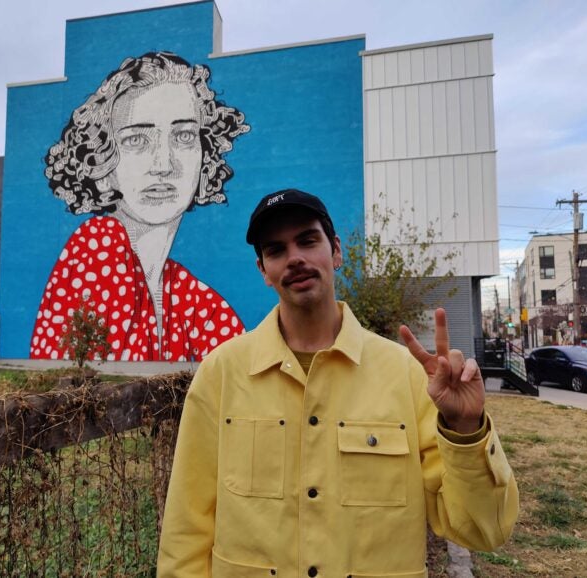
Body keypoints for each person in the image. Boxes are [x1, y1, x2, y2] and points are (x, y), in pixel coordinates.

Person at [157, 189, 519, 576]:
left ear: (336, 252)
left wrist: (465, 428)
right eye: (276, 250)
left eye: (308, 241)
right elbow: (187, 529)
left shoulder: (406, 376)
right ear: (263, 270)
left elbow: (481, 530)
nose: (294, 258)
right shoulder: (221, 374)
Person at [30, 52, 249, 362]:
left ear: (205, 159)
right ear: (103, 167)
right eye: (136, 140)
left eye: (184, 136)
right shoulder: (98, 248)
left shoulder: (195, 300)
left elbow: (241, 379)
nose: (163, 164)